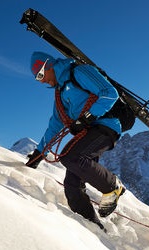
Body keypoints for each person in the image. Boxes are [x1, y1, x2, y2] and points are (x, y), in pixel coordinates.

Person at [25, 51, 126, 229]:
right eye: (37, 79)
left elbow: (110, 93)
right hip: (88, 133)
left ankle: (112, 186)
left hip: (106, 126)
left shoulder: (79, 72)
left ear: (49, 66)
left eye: (41, 74)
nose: (41, 81)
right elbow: (54, 126)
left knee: (71, 157)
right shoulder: (60, 94)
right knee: (72, 185)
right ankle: (93, 228)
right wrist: (39, 154)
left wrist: (88, 116)